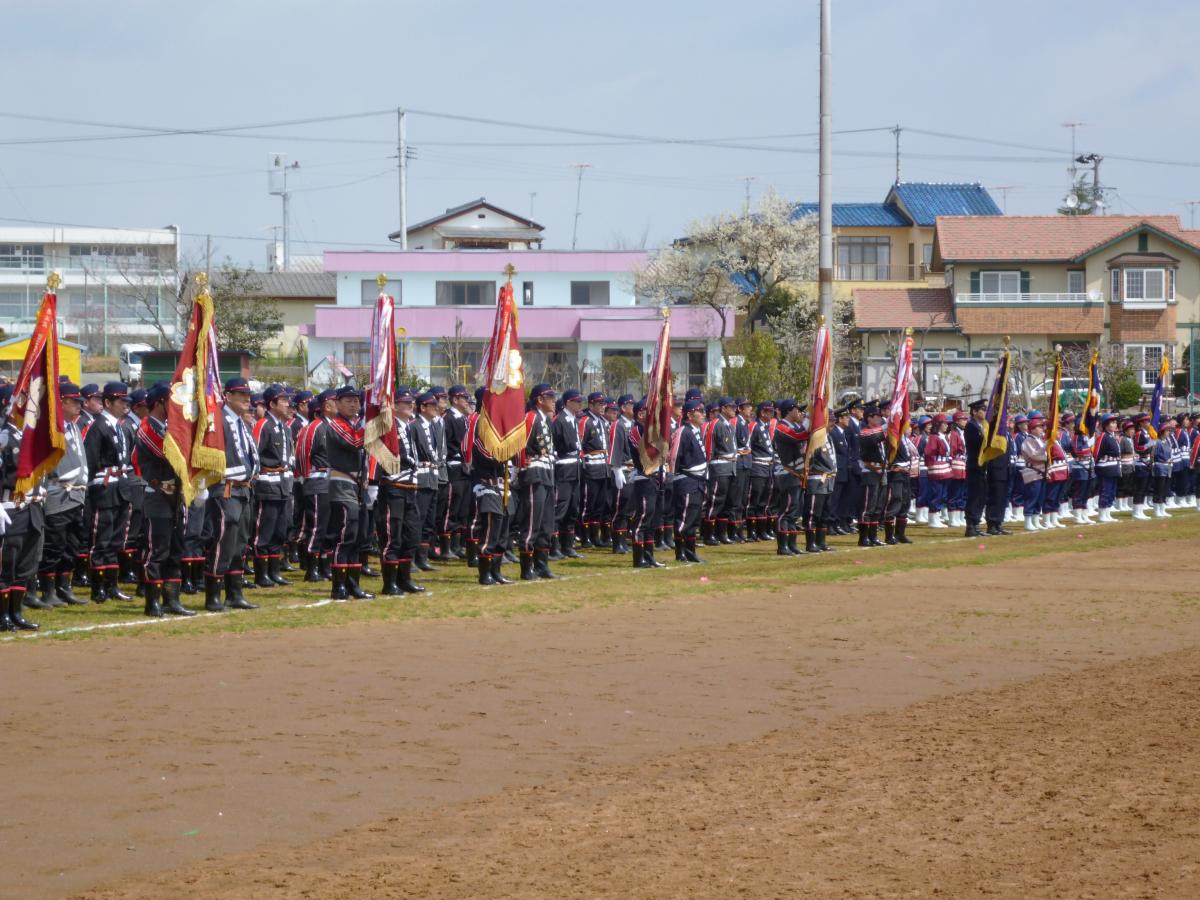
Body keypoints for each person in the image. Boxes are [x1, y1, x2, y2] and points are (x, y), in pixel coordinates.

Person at [132, 382, 197, 617]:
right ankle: (153, 601)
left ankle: (172, 598)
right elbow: (166, 452)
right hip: (157, 495)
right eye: (172, 402)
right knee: (157, 549)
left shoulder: (169, 427)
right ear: (159, 403)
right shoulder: (148, 427)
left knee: (176, 548)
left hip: (176, 496)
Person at [204, 378, 260, 612]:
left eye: (247, 394)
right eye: (240, 394)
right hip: (226, 488)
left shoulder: (242, 422)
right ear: (227, 395)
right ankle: (213, 595)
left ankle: (234, 592)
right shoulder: (217, 419)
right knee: (223, 542)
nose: (247, 399)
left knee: (240, 543)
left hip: (244, 489)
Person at [37, 381, 89, 607]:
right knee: (54, 544)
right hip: (58, 494)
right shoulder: (52, 428)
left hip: (76, 495)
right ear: (61, 403)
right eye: (74, 402)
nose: (79, 406)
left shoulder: (73, 426)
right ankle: (48, 590)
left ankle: (64, 586)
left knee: (71, 545)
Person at [84, 382, 134, 603]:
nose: (125, 405)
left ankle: (112, 586)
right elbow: (91, 461)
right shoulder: (98, 426)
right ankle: (98, 588)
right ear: (108, 403)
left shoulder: (119, 426)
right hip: (104, 486)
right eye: (121, 401)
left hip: (120, 485)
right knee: (101, 539)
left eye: (126, 401)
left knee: (115, 540)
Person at [0, 383, 43, 631]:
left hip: (30, 507)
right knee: (8, 562)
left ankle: (16, 612)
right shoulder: (5, 437)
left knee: (25, 565)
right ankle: (3, 615)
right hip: (9, 506)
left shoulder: (29, 437)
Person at [251, 384, 296, 587]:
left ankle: (274, 570)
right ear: (272, 404)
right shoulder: (264, 425)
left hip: (284, 484)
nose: (288, 404)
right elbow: (255, 454)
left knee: (280, 529)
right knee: (264, 530)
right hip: (267, 484)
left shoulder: (284, 427)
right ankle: (262, 573)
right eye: (283, 401)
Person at [516, 383, 558, 580]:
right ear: (539, 400)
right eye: (550, 397)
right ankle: (527, 568)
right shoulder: (531, 417)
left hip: (547, 472)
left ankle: (542, 564)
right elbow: (521, 444)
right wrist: (521, 464)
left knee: (547, 523)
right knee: (532, 522)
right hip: (534, 473)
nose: (553, 401)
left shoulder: (546, 420)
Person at [627, 400, 666, 568]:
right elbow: (644, 453)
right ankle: (638, 557)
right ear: (641, 414)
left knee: (653, 520)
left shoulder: (651, 431)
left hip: (657, 477)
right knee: (642, 518)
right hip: (645, 478)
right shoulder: (636, 430)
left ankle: (649, 555)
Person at [672, 398, 708, 563]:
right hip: (687, 480)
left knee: (693, 518)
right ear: (690, 415)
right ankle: (681, 552)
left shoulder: (696, 430)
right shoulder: (683, 431)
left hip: (698, 481)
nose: (703, 414)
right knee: (684, 518)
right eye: (699, 411)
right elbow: (675, 457)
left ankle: (690, 551)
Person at [551, 388, 585, 559]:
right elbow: (557, 447)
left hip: (575, 468)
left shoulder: (574, 420)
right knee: (560, 507)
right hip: (564, 468)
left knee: (573, 508)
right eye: (577, 401)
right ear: (568, 403)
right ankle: (554, 546)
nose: (580, 404)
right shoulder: (560, 421)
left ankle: (568, 545)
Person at [442, 385, 472, 560]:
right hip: (454, 465)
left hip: (464, 466)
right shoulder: (449, 417)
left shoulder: (464, 418)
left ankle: (457, 544)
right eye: (463, 397)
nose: (466, 401)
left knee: (463, 507)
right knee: (451, 507)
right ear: (455, 399)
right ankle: (446, 546)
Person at [702, 396, 736, 545]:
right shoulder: (716, 424)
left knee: (727, 502)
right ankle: (708, 534)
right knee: (715, 501)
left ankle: (721, 534)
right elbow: (709, 447)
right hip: (719, 467)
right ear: (723, 409)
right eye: (731, 407)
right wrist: (708, 466)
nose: (734, 409)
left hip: (730, 467)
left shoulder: (729, 425)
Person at [579, 392, 610, 548]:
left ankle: (595, 536)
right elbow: (580, 445)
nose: (603, 407)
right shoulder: (585, 421)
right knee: (588, 505)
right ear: (591, 405)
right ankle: (585, 538)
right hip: (590, 467)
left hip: (603, 468)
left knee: (599, 504)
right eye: (599, 404)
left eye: (604, 404)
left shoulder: (603, 422)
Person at [857, 402, 889, 547]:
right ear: (869, 418)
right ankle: (863, 538)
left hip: (881, 471)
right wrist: (887, 426)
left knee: (877, 506)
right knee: (867, 506)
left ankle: (873, 536)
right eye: (877, 416)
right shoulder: (865, 432)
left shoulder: (878, 432)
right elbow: (873, 438)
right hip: (870, 471)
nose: (879, 419)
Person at [747, 401, 777, 541]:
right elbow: (748, 445)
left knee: (764, 500)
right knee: (755, 499)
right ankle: (752, 532)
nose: (771, 414)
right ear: (762, 412)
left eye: (772, 411)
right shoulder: (754, 425)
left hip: (768, 466)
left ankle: (762, 530)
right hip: (757, 466)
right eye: (769, 411)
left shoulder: (765, 427)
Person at [1019, 412, 1048, 531]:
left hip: (1041, 471)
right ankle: (1028, 520)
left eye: (1042, 427)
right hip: (1033, 471)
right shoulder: (1028, 441)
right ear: (1032, 429)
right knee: (1032, 496)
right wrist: (1048, 452)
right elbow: (1035, 455)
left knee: (1040, 497)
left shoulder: (1040, 440)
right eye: (1039, 427)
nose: (1042, 429)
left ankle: (1036, 520)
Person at [1093, 413, 1122, 523]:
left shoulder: (1112, 436)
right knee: (1105, 491)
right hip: (1105, 468)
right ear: (1105, 425)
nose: (1115, 425)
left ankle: (1107, 513)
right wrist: (1095, 467)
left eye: (1115, 422)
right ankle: (1102, 514)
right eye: (1112, 423)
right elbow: (1096, 453)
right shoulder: (1103, 436)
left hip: (1113, 468)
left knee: (1111, 491)